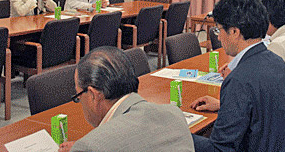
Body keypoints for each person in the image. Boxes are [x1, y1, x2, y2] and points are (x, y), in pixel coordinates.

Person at [190, 0, 285, 152]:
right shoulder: (277, 62)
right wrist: (225, 106)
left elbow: (220, 149)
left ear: (234, 32)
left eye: (219, 30)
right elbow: (262, 112)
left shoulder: (238, 79)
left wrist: (179, 134)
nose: (219, 38)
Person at [58, 46, 194, 152]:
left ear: (93, 95)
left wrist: (87, 145)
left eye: (78, 97)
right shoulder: (174, 114)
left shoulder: (91, 146)